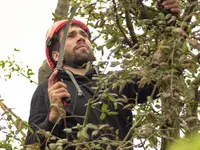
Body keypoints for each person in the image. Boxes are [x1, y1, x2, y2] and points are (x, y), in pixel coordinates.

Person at [25, 1, 180, 149]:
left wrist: (169, 22)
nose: (81, 38)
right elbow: (31, 147)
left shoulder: (115, 82)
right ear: (56, 55)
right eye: (71, 35)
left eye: (84, 34)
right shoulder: (48, 91)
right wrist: (53, 117)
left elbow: (161, 76)